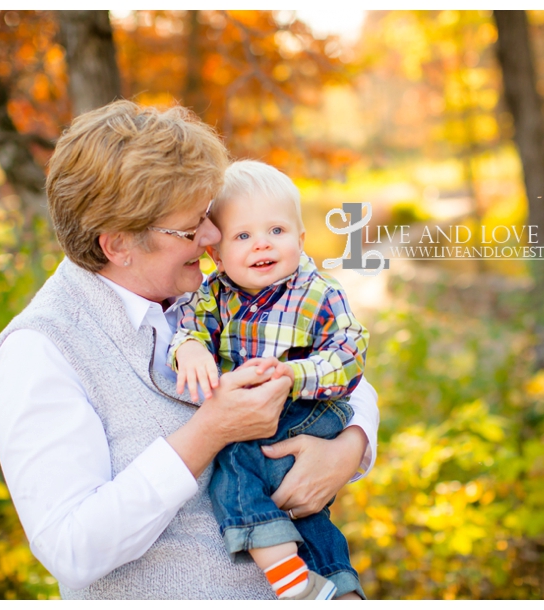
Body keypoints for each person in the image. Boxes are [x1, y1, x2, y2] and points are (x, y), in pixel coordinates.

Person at [0, 100, 379, 600]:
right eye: (193, 229)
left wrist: (352, 446)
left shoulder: (218, 284)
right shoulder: (40, 351)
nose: (214, 238)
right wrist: (209, 432)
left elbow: (343, 359)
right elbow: (72, 547)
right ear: (118, 245)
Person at [169, 161, 368, 599]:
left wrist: (295, 374)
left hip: (310, 407)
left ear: (300, 240)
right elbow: (189, 328)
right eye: (243, 236)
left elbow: (352, 352)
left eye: (276, 231)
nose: (262, 244)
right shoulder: (214, 295)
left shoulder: (318, 292)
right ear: (216, 256)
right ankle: (339, 587)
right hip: (262, 414)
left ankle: (289, 581)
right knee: (303, 508)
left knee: (236, 466)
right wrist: (190, 349)